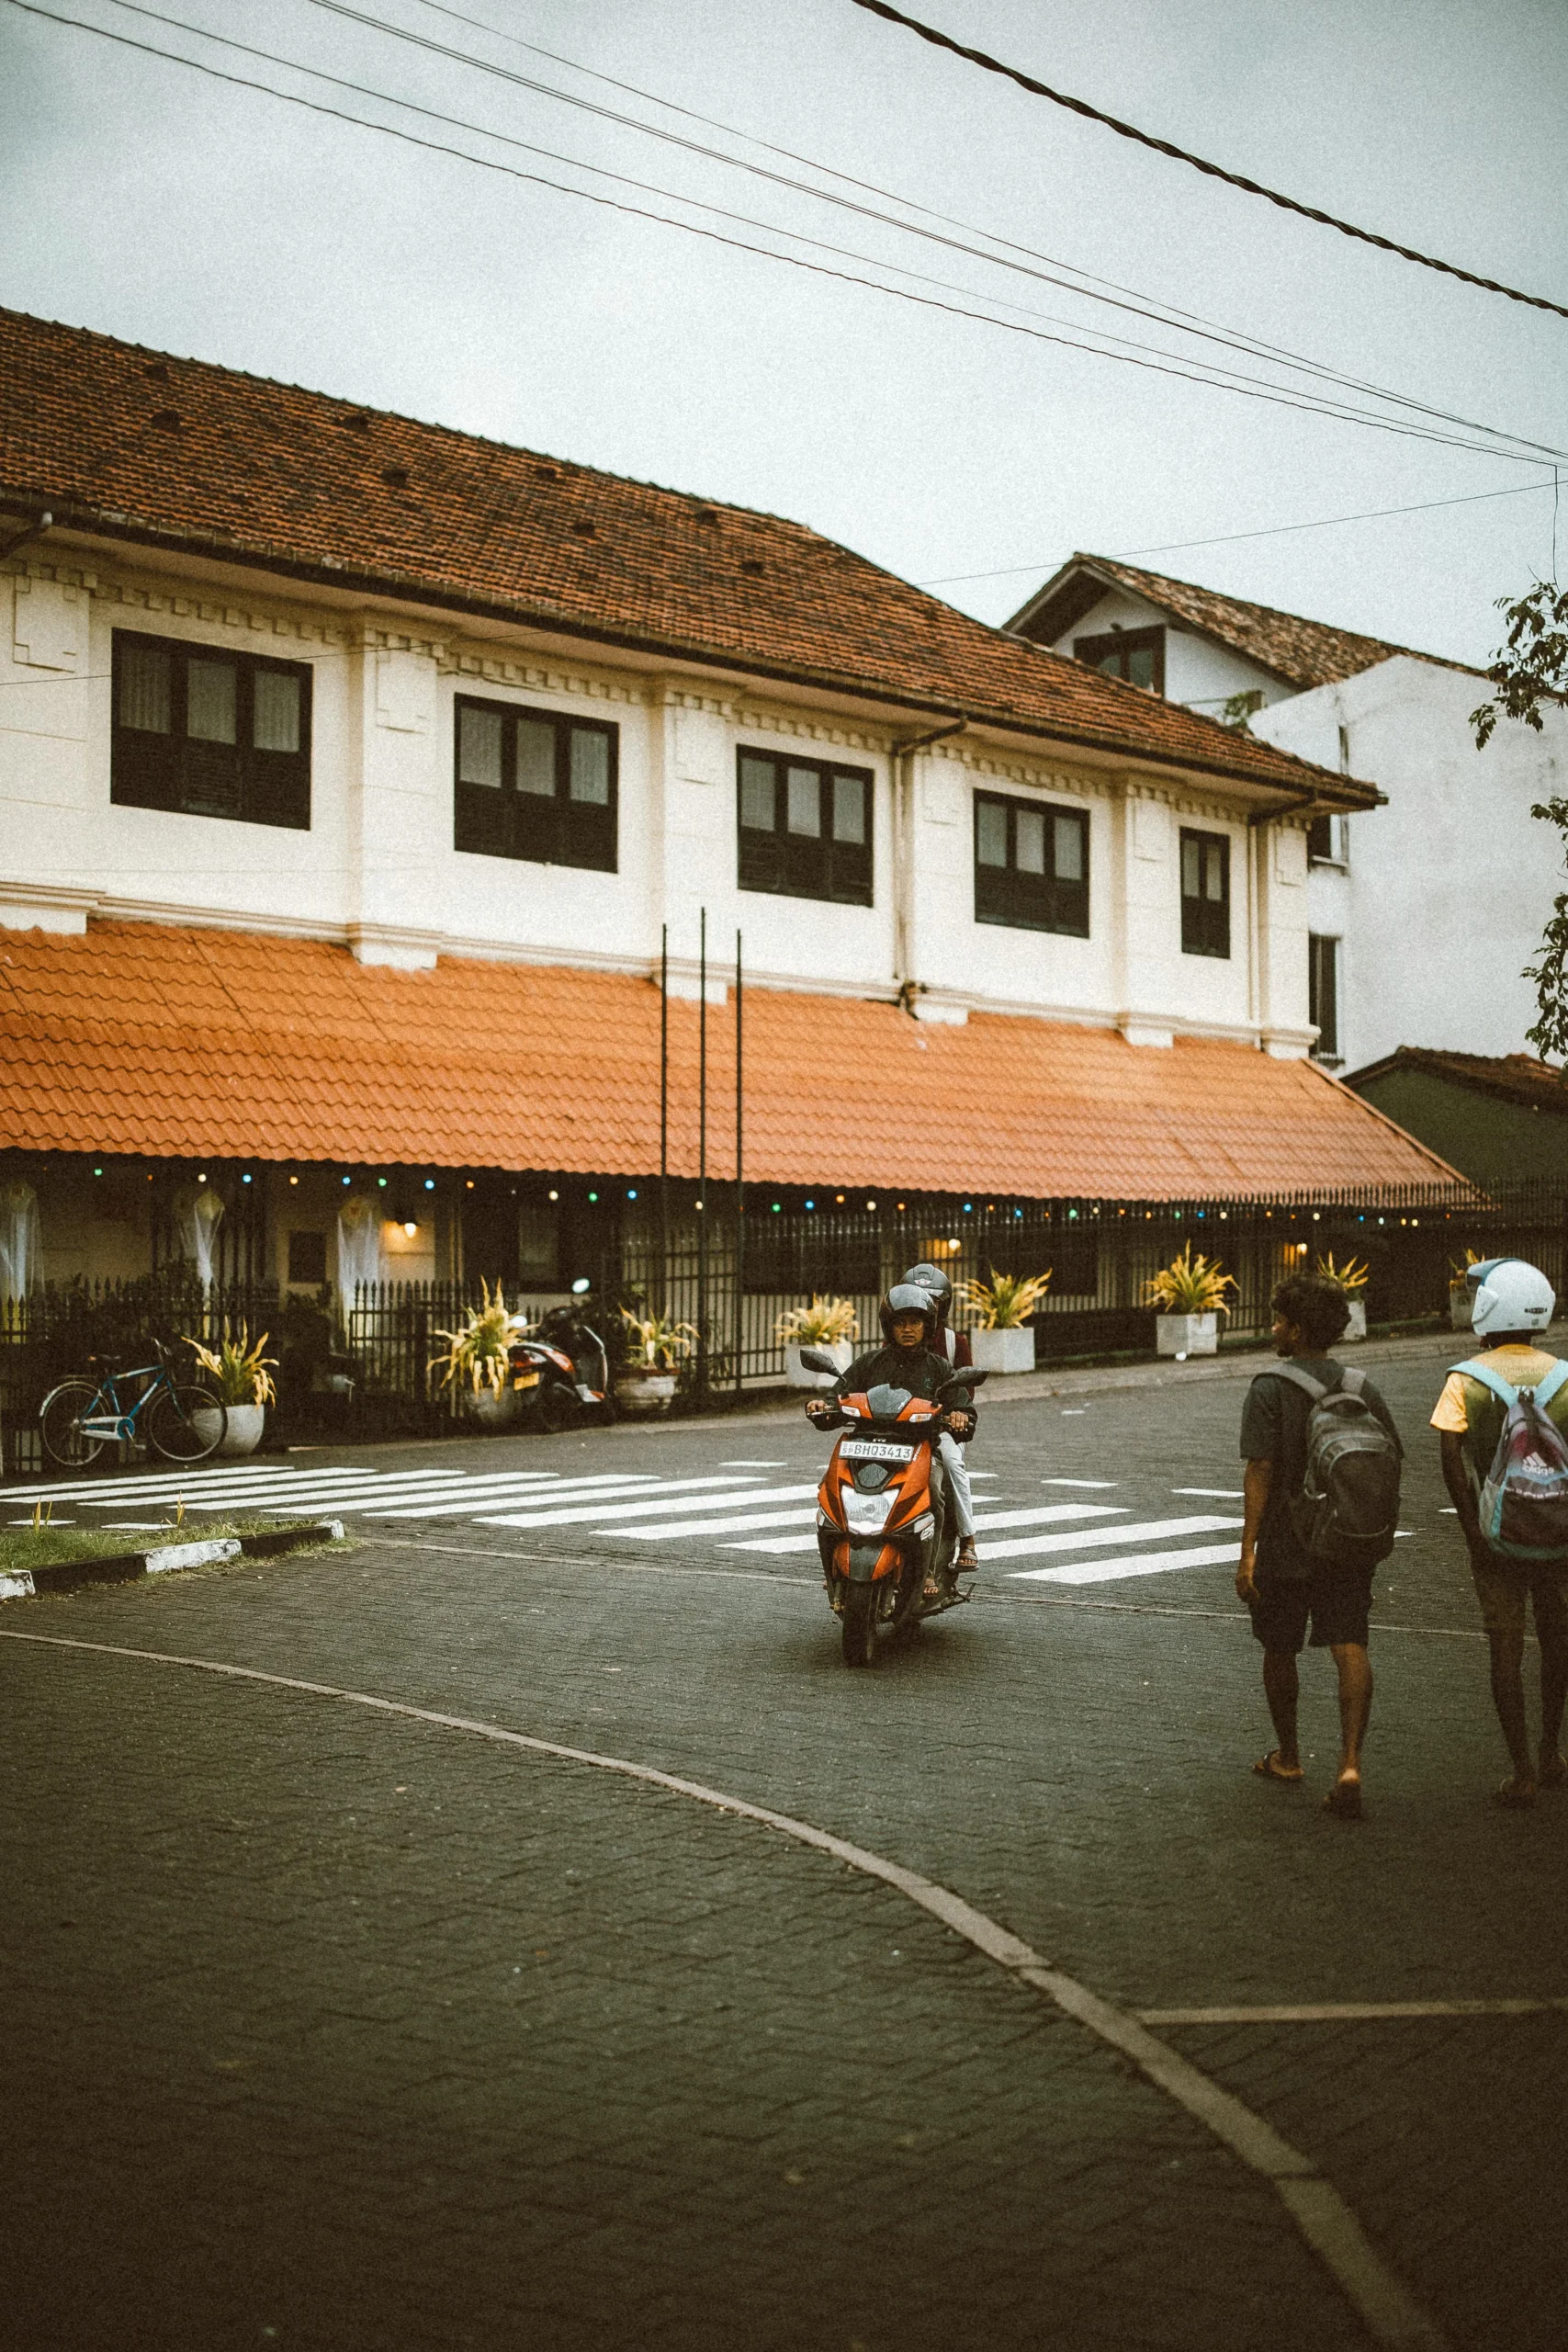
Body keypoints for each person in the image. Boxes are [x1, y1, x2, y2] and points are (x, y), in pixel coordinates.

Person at [1235, 1272, 1402, 1820]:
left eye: (1280, 1320)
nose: (1273, 1328)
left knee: (1279, 1648)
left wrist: (1248, 1551)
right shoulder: (1360, 1386)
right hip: (1347, 1540)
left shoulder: (1269, 1387)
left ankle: (1288, 1755)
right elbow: (1391, 1459)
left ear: (1298, 1329)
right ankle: (1350, 1762)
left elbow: (1260, 1469)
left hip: (1288, 1543)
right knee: (1349, 1643)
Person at [1429, 1256, 1568, 1808]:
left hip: (1498, 1538)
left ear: (1489, 1309)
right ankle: (1553, 1749)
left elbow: (1448, 1457)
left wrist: (1473, 1532)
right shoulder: (1563, 1375)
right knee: (1558, 1645)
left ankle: (1522, 1770)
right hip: (1559, 1537)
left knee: (1506, 1651)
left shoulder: (1466, 1378)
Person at [807, 1283, 976, 1597]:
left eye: (915, 1322)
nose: (908, 1329)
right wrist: (823, 1405)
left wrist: (959, 1416)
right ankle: (833, 1564)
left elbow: (964, 1407)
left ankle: (929, 1570)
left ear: (928, 1326)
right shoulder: (871, 1362)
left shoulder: (938, 1368)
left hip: (918, 1449)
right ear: (890, 1326)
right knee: (828, 1490)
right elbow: (840, 1393)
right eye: (900, 1323)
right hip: (866, 1445)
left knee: (935, 1497)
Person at [901, 1261, 978, 1574]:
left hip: (939, 1428)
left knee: (951, 1462)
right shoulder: (892, 1344)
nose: (921, 1310)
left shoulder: (952, 1342)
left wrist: (956, 1414)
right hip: (897, 1428)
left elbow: (965, 1392)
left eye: (931, 1302)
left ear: (941, 1306)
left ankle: (968, 1539)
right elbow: (866, 1383)